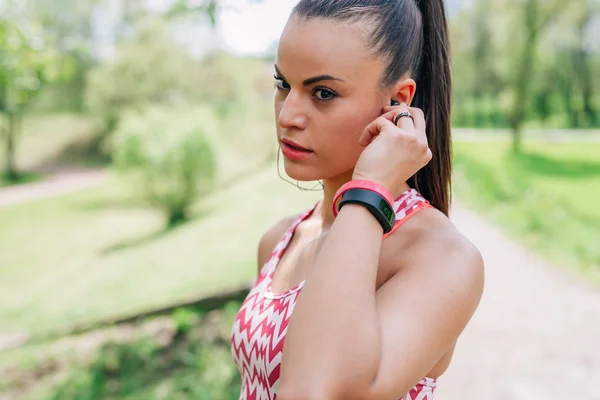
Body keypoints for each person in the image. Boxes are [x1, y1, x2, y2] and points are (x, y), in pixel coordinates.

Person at [230, 0, 485, 399]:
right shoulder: (279, 241)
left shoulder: (439, 258)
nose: (287, 116)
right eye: (283, 84)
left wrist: (371, 187)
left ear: (398, 101)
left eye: (323, 92)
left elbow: (319, 390)